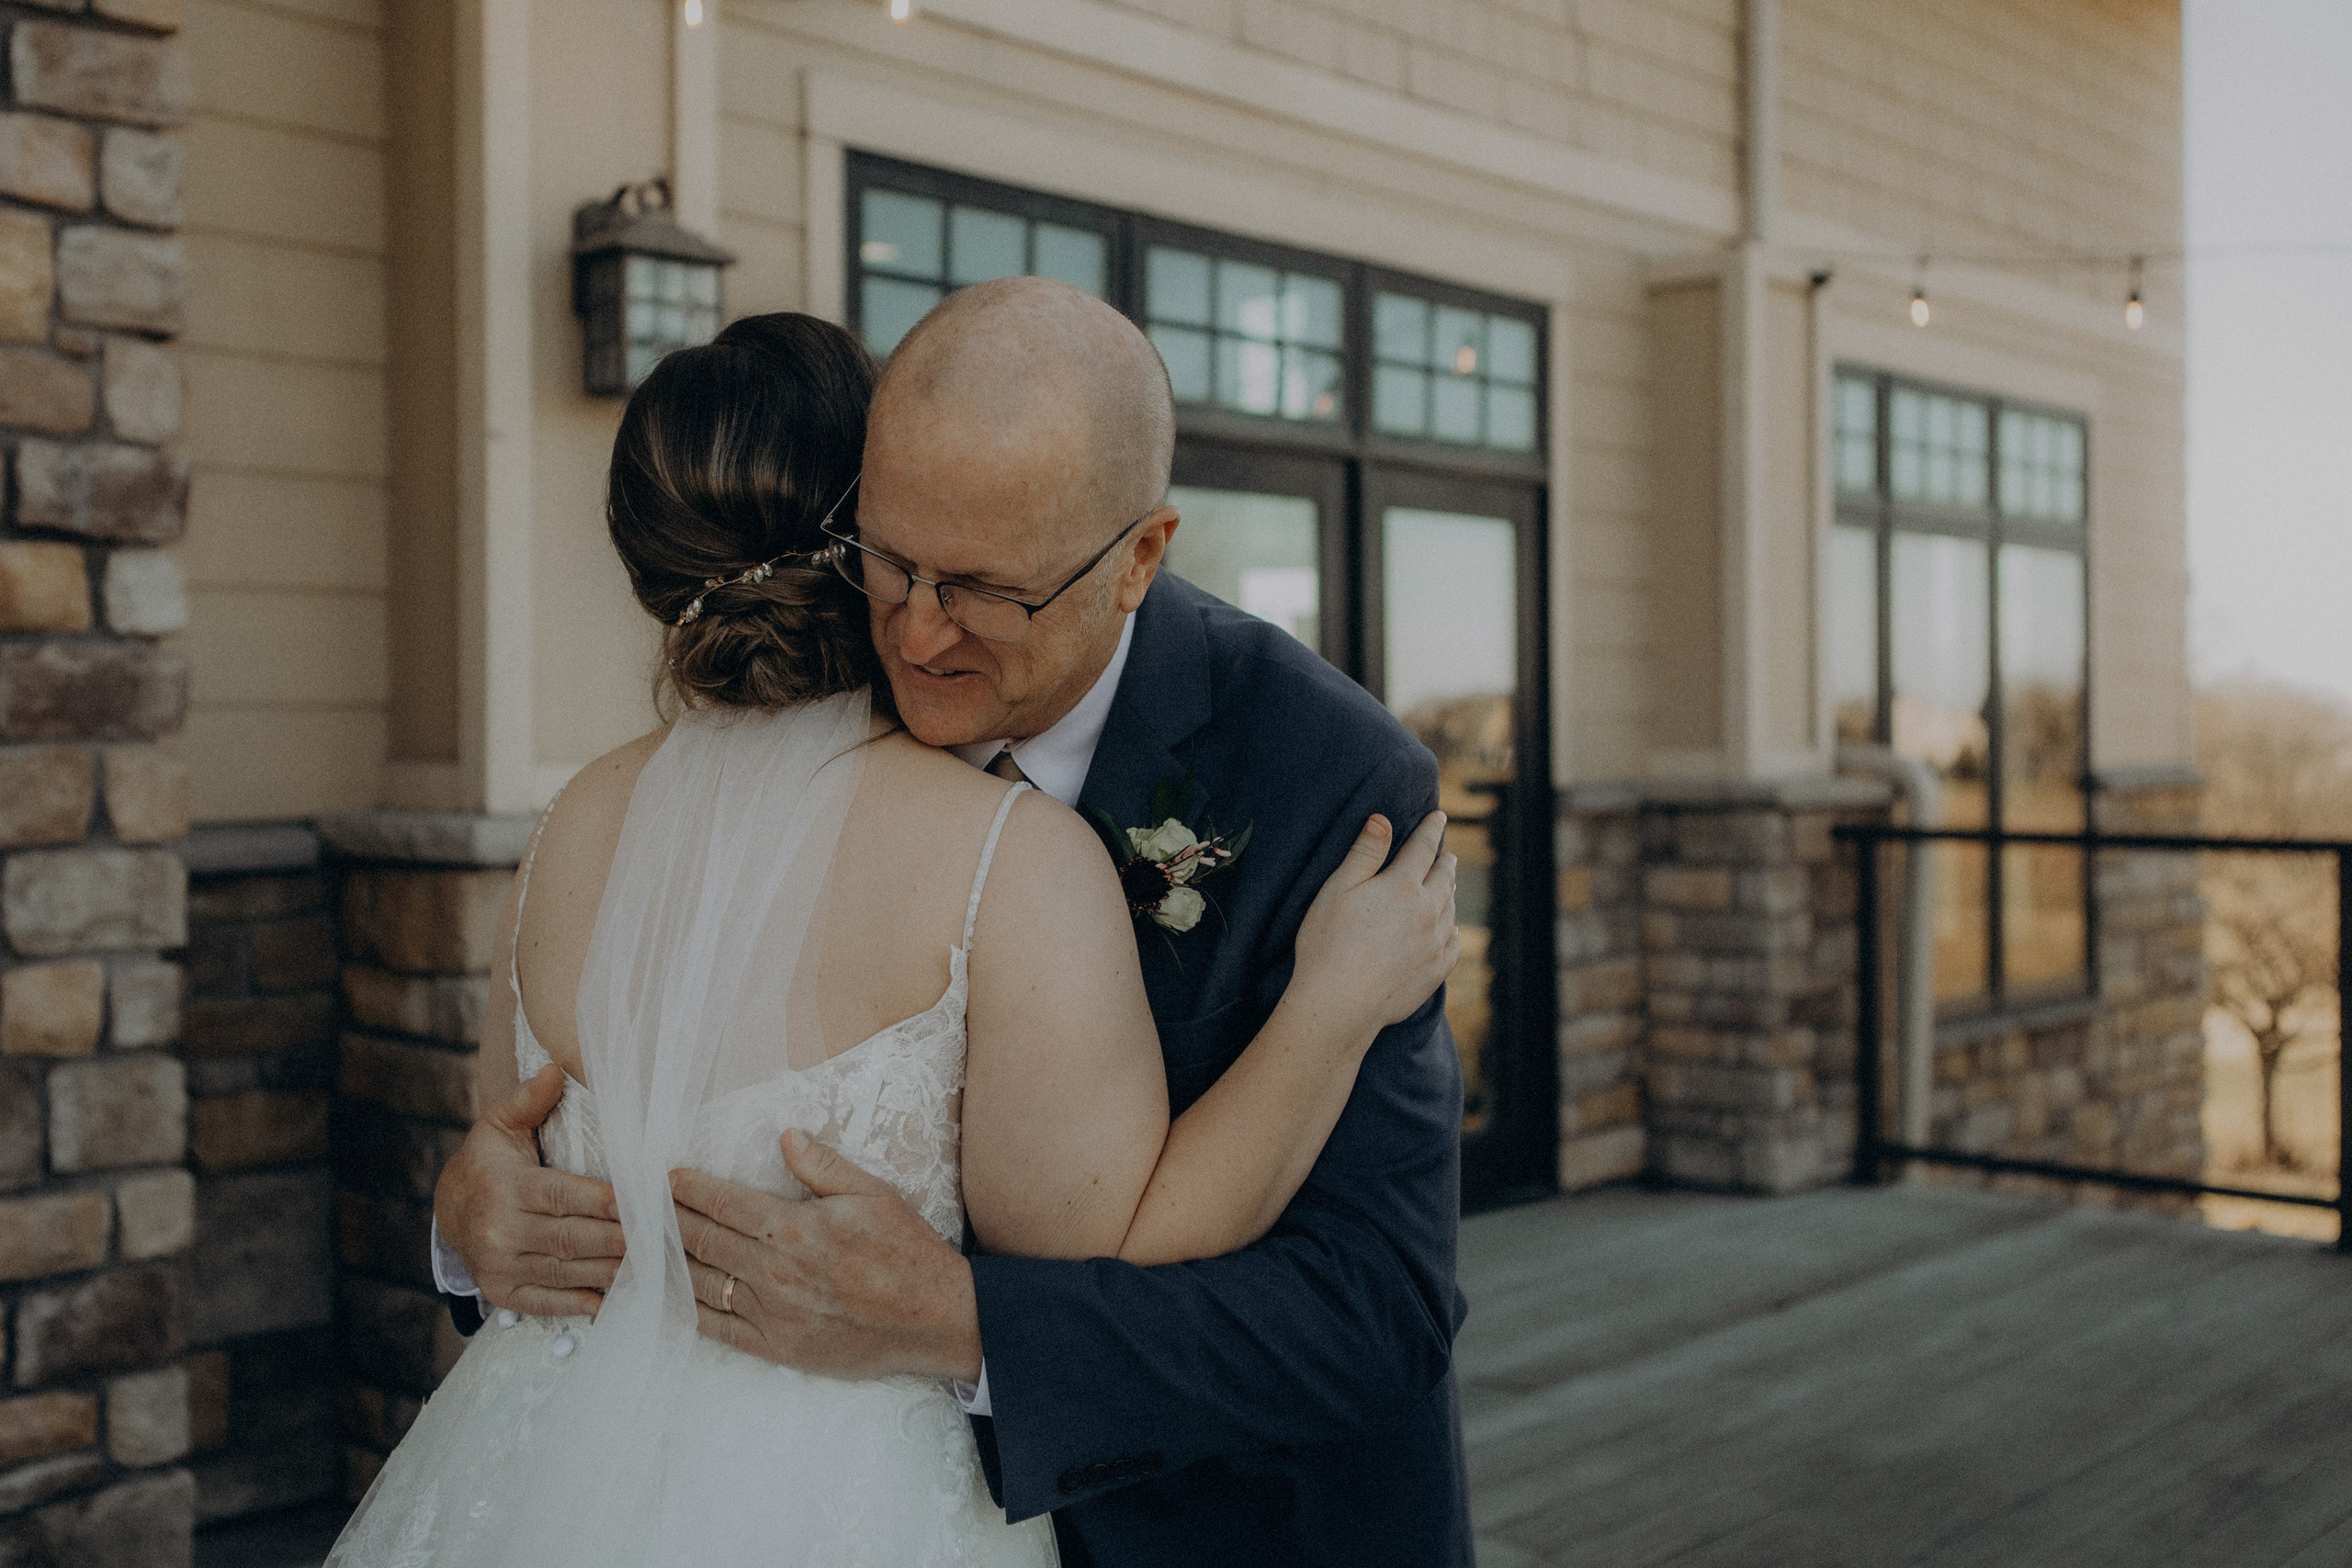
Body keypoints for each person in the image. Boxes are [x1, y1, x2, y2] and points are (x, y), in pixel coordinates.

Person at [331, 304, 1458, 1567]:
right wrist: (480, 1230)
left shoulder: (1329, 779)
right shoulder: (805, 709)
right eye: (889, 560)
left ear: (1139, 557)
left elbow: (1376, 1308)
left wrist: (966, 1322)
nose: (918, 633)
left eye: (983, 590)